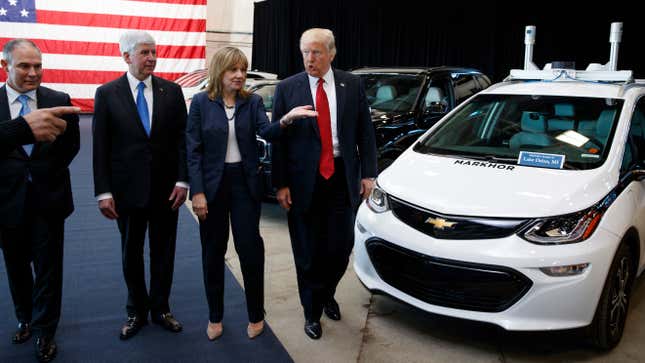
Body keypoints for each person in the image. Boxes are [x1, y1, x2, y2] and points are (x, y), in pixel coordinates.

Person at [186, 47, 309, 341]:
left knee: (250, 251)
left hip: (244, 185)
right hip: (212, 188)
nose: (240, 75)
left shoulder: (252, 102)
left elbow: (266, 131)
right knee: (212, 254)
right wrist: (197, 192)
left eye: (243, 69)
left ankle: (256, 314)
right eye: (234, 70)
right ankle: (215, 316)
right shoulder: (201, 103)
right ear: (220, 72)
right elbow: (193, 150)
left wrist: (287, 119)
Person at [271, 28, 377, 339]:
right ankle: (311, 311)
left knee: (341, 247)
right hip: (303, 181)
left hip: (341, 177)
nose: (309, 59)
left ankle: (326, 291)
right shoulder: (287, 88)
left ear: (331, 54)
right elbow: (278, 142)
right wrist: (280, 184)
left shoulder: (351, 84)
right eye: (305, 52)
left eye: (316, 52)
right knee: (307, 251)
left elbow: (365, 133)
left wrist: (368, 174)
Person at [92, 30, 188, 340]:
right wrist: (104, 192)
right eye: (145, 52)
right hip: (126, 192)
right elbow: (100, 147)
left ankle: (161, 308)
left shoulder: (171, 93)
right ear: (126, 57)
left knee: (164, 252)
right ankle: (136, 311)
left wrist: (183, 180)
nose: (152, 58)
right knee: (131, 253)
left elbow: (182, 142)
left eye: (154, 52)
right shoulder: (107, 94)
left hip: (166, 192)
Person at [0, 38, 80, 362]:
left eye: (38, 66)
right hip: (6, 202)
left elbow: (71, 146)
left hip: (48, 200)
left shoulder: (58, 100)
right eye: (24, 66)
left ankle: (45, 330)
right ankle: (25, 317)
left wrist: (44, 171)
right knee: (16, 266)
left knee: (48, 270)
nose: (33, 73)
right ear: (5, 66)